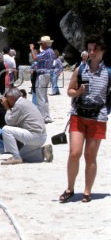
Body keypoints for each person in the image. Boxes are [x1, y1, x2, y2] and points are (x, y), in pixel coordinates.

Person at [59, 34, 109, 203]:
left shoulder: (108, 72)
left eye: (95, 49)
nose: (92, 52)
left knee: (90, 156)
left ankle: (87, 191)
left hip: (98, 117)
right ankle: (70, 188)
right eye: (89, 49)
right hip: (78, 115)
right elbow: (69, 91)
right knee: (74, 153)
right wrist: (78, 92)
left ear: (103, 50)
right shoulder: (80, 69)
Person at [0, 87, 53, 165]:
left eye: (7, 98)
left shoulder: (19, 104)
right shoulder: (24, 102)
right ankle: (43, 151)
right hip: (41, 136)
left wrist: (7, 109)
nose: (6, 101)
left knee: (6, 129)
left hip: (34, 136)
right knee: (23, 155)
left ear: (11, 98)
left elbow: (9, 122)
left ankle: (16, 158)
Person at [30, 36, 55, 123]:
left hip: (42, 75)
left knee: (40, 96)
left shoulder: (46, 52)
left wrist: (32, 49)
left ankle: (42, 117)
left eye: (41, 43)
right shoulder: (51, 51)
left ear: (44, 44)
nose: (40, 45)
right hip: (47, 74)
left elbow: (35, 58)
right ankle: (47, 116)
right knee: (44, 96)